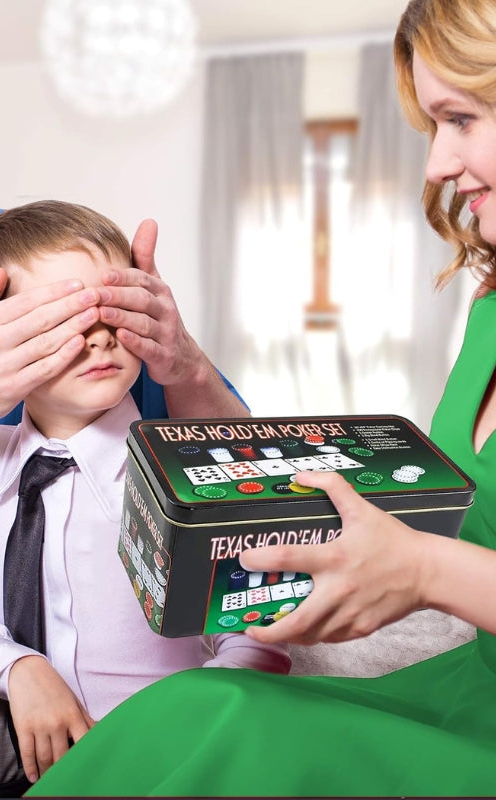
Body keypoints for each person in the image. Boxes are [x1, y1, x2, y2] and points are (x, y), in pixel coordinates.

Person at [26, 0, 496, 796]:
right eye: (431, 128)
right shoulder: (485, 309)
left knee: (239, 734)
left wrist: (420, 568)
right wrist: (184, 368)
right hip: (467, 691)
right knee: (190, 705)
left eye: (459, 117)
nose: (435, 167)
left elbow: (429, 559)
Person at [0, 46, 248, 799]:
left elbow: (243, 507)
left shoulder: (16, 257)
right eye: (66, 324)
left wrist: (185, 365)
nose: (99, 339)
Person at [0, 200, 290, 792]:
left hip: (182, 757)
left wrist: (186, 726)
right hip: (42, 758)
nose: (101, 338)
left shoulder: (178, 465)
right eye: (62, 321)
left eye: (116, 310)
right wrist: (18, 668)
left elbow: (255, 629)